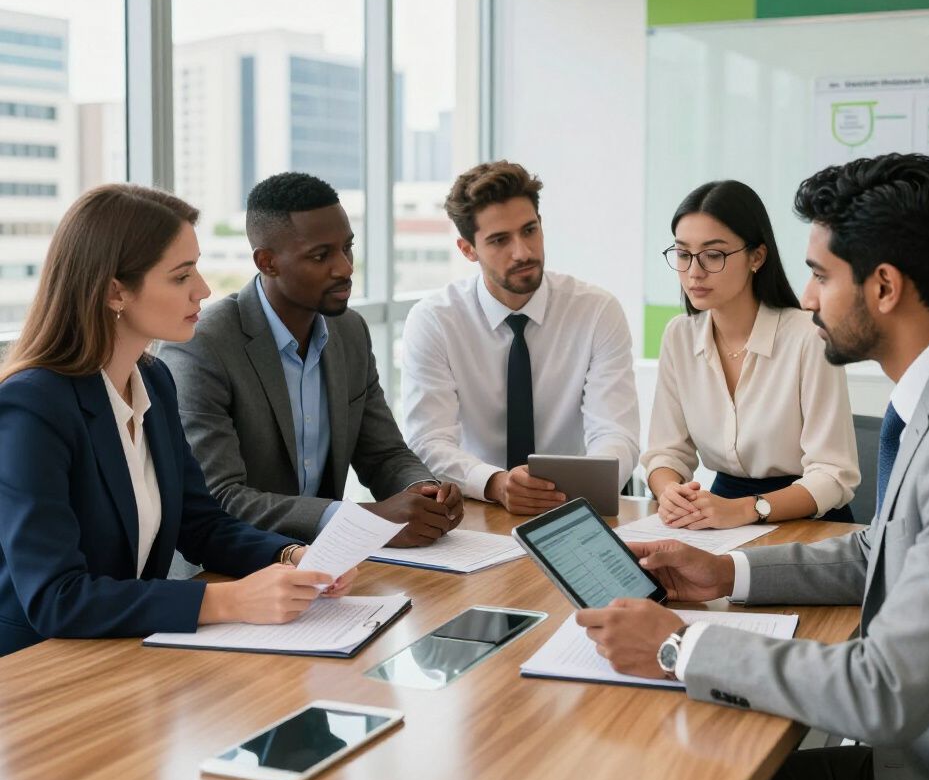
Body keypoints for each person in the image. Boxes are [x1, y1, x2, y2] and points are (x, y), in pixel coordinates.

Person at [579, 153, 929, 780]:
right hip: (925, 753)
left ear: (884, 287)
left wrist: (679, 648)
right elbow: (883, 545)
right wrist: (726, 570)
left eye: (820, 275)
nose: (808, 296)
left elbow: (885, 692)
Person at [0, 185, 354, 658]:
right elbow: (57, 598)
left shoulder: (153, 379)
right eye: (181, 275)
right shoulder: (33, 406)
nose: (203, 289)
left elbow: (198, 521)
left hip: (125, 654)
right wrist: (229, 600)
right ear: (114, 291)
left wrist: (289, 556)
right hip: (42, 671)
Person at [161, 172, 462, 546]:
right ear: (267, 262)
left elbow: (384, 454)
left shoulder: (349, 331)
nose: (345, 268)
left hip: (327, 567)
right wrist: (364, 520)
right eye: (321, 256)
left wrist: (425, 492)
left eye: (347, 248)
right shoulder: (203, 346)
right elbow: (220, 498)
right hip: (228, 571)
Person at [401, 160, 640, 516]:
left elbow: (616, 433)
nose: (523, 252)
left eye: (530, 231)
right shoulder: (435, 321)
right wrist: (495, 483)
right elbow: (429, 440)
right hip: (476, 506)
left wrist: (583, 484)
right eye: (500, 240)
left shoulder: (596, 311)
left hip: (573, 506)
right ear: (468, 249)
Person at [644, 180, 858, 529]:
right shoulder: (679, 336)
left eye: (713, 255)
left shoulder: (810, 336)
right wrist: (670, 492)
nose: (694, 272)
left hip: (808, 522)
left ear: (756, 256)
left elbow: (833, 475)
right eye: (683, 254)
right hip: (718, 520)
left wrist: (747, 509)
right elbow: (666, 453)